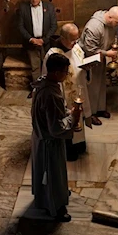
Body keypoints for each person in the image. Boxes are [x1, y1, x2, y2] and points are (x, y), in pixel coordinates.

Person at [31, 53, 82, 222]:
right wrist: (73, 118)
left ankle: (53, 194)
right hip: (49, 142)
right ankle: (55, 206)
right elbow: (56, 127)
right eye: (65, 71)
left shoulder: (45, 82)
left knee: (50, 174)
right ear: (56, 73)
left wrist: (67, 112)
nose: (67, 74)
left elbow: (53, 115)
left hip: (40, 137)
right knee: (53, 174)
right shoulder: (51, 94)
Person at [41, 23, 92, 161]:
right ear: (63, 38)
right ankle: (68, 149)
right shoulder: (53, 55)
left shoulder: (76, 48)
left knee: (78, 119)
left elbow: (80, 69)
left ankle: (79, 143)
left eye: (77, 38)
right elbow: (47, 79)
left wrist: (87, 69)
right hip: (63, 97)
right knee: (67, 121)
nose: (76, 42)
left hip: (78, 93)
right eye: (72, 39)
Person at [79, 6, 118, 125]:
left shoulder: (110, 24)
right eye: (117, 22)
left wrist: (110, 52)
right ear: (109, 17)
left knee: (101, 84)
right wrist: (107, 53)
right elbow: (89, 49)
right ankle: (90, 113)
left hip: (100, 58)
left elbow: (109, 41)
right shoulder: (94, 27)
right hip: (89, 60)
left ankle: (100, 109)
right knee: (92, 87)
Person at [18, 0, 57, 98]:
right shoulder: (23, 8)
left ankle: (48, 90)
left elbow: (54, 26)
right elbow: (20, 27)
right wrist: (31, 39)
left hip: (46, 42)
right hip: (31, 43)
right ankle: (36, 90)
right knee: (35, 68)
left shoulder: (49, 7)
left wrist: (43, 40)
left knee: (48, 66)